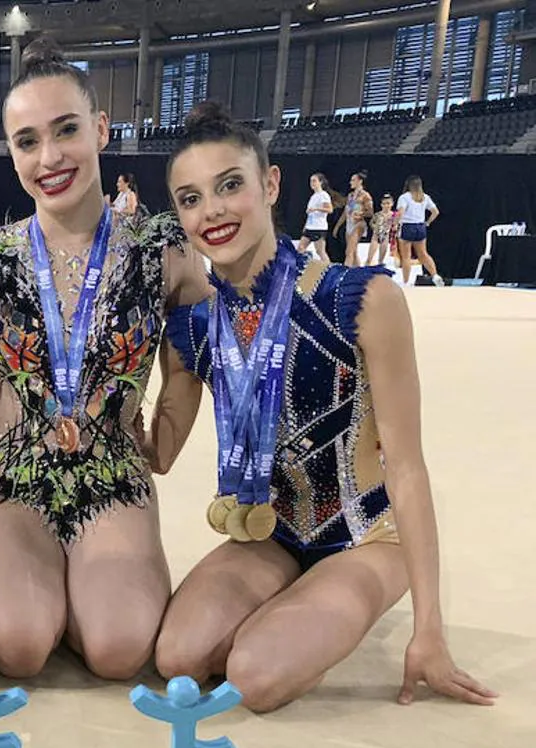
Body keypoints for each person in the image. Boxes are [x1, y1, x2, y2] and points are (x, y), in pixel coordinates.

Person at [145, 100, 497, 712]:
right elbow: (158, 453)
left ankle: (333, 595)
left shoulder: (360, 299)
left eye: (230, 186)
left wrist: (430, 627)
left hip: (366, 536)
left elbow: (408, 466)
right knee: (177, 655)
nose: (214, 211)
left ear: (270, 183)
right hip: (271, 530)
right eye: (191, 198)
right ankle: (298, 594)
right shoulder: (194, 329)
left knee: (252, 676)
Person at [0, 37, 209, 681]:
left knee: (120, 647)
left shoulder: (160, 249)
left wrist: (164, 442)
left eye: (66, 131)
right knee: (21, 644)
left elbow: (191, 357)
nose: (49, 157)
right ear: (11, 151)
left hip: (114, 473)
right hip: (9, 478)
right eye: (27, 141)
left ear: (101, 130)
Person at [395, 175, 444, 286]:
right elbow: (435, 211)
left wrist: (395, 223)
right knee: (423, 254)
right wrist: (428, 222)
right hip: (420, 227)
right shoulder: (425, 197)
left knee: (406, 256)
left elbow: (401, 212)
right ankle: (435, 275)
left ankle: (406, 282)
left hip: (407, 226)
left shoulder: (404, 197)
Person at [296, 172, 341, 261]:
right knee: (300, 248)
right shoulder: (313, 196)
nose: (312, 183)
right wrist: (305, 226)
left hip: (319, 227)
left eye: (314, 181)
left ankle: (329, 269)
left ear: (320, 182)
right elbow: (310, 213)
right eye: (311, 181)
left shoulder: (323, 195)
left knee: (320, 251)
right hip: (310, 227)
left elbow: (330, 209)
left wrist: (316, 208)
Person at [333, 170, 373, 267]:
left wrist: (361, 214)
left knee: (349, 251)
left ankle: (346, 273)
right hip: (349, 224)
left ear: (360, 181)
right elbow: (345, 212)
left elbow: (370, 212)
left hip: (358, 224)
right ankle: (359, 273)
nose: (350, 182)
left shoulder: (365, 195)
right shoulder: (350, 196)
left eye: (353, 180)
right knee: (353, 252)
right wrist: (337, 227)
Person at [366, 193, 398, 268]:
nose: (386, 205)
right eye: (384, 203)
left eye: (388, 203)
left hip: (386, 236)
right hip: (376, 235)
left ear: (392, 204)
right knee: (370, 256)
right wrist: (374, 227)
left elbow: (397, 225)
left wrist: (394, 227)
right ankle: (367, 266)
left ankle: (379, 267)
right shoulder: (378, 214)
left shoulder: (394, 215)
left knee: (381, 259)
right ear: (381, 204)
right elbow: (371, 223)